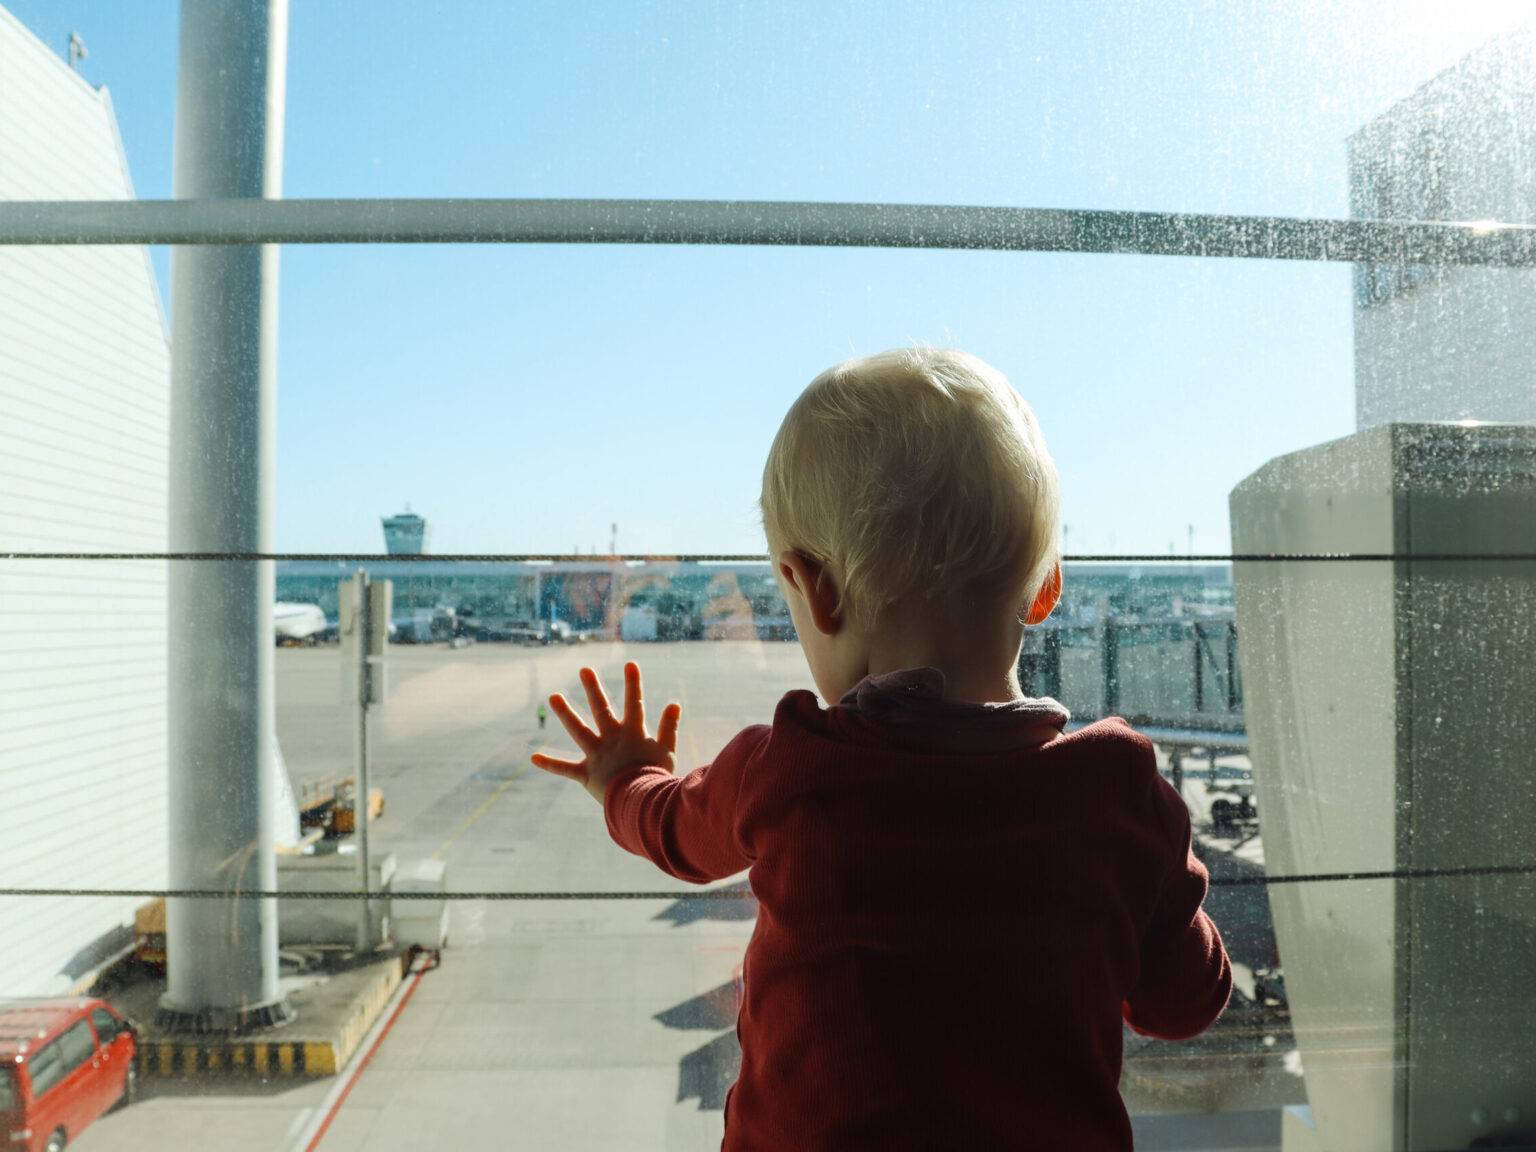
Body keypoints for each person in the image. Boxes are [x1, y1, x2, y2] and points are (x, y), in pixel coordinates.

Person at [530, 347, 1231, 1151]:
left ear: (815, 592)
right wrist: (1159, 882)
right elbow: (1185, 1002)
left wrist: (628, 779)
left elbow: (674, 834)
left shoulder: (791, 771)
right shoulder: (1116, 789)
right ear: (1045, 588)